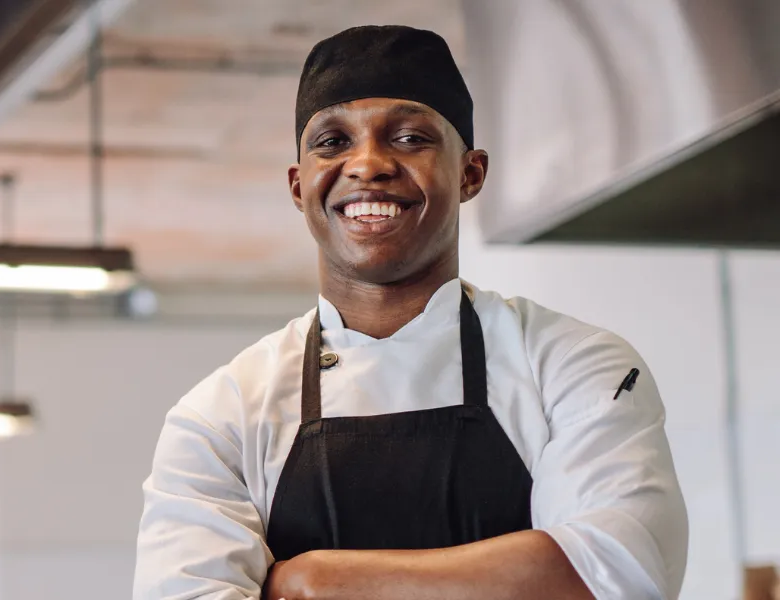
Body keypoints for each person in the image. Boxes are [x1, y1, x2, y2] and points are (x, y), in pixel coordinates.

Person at [133, 25, 687, 600]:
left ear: (471, 173)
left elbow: (622, 575)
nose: (368, 164)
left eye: (409, 138)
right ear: (299, 186)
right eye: (332, 142)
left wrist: (312, 581)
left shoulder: (573, 365)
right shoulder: (221, 416)